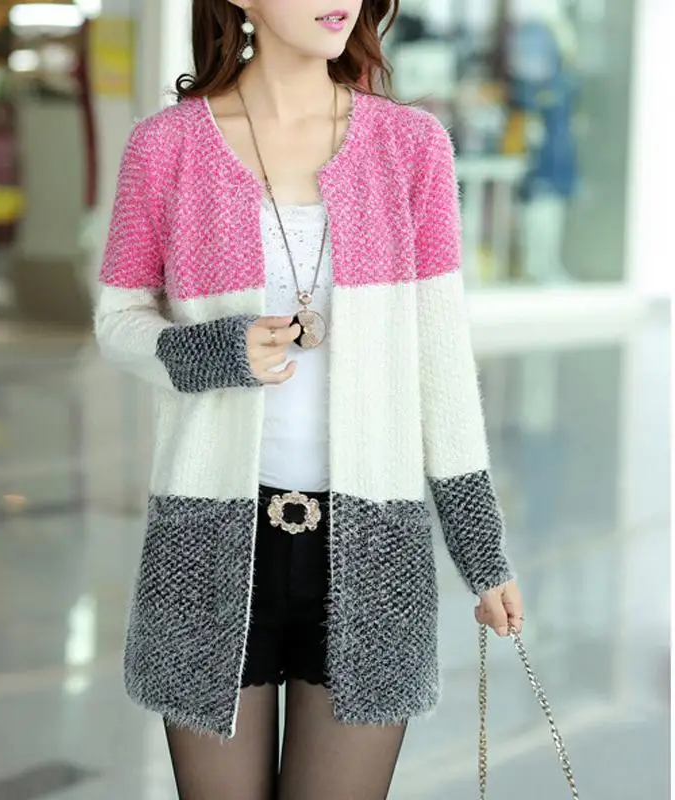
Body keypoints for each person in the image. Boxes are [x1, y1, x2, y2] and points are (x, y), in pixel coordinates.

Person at [94, 1, 524, 798]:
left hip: (376, 545)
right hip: (207, 537)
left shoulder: (411, 147)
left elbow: (440, 363)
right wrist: (215, 351)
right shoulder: (167, 146)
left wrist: (481, 552)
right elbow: (117, 320)